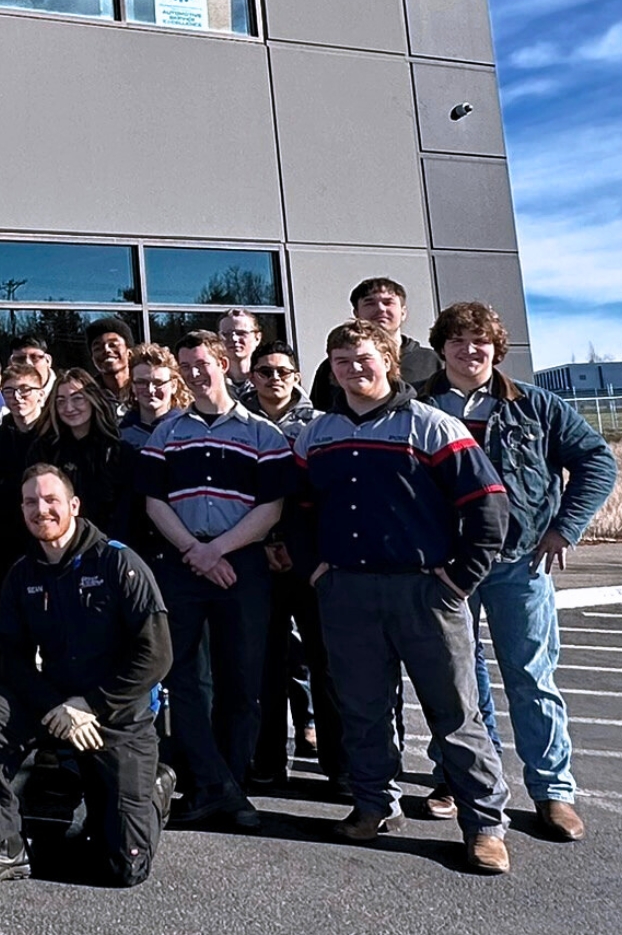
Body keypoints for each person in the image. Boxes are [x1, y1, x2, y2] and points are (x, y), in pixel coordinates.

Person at [291, 320, 512, 875]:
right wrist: (316, 571)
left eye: (362, 358)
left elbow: (488, 508)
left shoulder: (434, 426)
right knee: (362, 711)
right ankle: (372, 806)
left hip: (427, 594)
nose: (352, 369)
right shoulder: (317, 435)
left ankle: (484, 824)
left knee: (456, 714)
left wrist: (458, 581)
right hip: (346, 593)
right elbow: (295, 510)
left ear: (389, 360)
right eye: (341, 361)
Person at [418, 301, 617, 841]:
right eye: (457, 340)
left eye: (479, 339)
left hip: (519, 563)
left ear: (496, 347)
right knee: (457, 683)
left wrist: (564, 527)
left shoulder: (536, 405)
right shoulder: (420, 407)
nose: (469, 349)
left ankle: (553, 790)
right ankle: (457, 778)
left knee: (532, 678)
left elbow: (598, 461)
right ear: (441, 349)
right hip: (447, 567)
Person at [0, 464, 174, 890]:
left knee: (125, 870)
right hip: (54, 709)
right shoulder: (22, 573)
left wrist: (90, 704)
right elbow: (10, 654)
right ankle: (7, 846)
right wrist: (54, 704)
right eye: (31, 502)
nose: (41, 510)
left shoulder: (118, 562)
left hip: (117, 716)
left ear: (74, 505)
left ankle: (154, 789)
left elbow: (156, 654)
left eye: (51, 500)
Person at [137, 332, 293, 831]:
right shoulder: (166, 433)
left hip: (241, 564)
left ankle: (230, 784)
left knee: (241, 681)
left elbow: (272, 507)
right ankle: (212, 787)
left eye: (202, 362)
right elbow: (153, 501)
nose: (194, 372)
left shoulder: (263, 434)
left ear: (224, 363)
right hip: (182, 562)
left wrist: (218, 550)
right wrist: (194, 550)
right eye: (185, 365)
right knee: (182, 679)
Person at [244, 340, 344, 792]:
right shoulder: (238, 423)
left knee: (325, 665)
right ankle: (266, 760)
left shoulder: (323, 425)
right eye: (264, 371)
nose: (274, 378)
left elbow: (328, 494)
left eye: (283, 370)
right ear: (252, 377)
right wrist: (264, 541)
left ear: (298, 376)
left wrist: (306, 549)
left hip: (312, 561)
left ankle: (337, 765)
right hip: (254, 557)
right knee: (263, 665)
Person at [0, 360, 56, 588]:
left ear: (40, 395)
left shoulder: (55, 438)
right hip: (7, 539)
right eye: (9, 391)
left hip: (51, 537)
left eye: (25, 390)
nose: (17, 397)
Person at [308, 278, 440, 413]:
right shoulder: (334, 367)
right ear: (356, 314)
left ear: (403, 312)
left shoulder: (431, 361)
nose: (380, 309)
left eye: (388, 302)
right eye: (370, 303)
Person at [47, 368, 135, 540]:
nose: (69, 408)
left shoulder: (119, 452)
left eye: (77, 398)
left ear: (93, 400)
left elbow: (127, 511)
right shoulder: (47, 451)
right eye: (61, 401)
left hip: (110, 548)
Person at [0, 338, 56, 439]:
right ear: (10, 363)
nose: (28, 363)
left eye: (34, 357)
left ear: (48, 360)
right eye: (20, 359)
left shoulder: (66, 394)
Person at [120, 342, 190, 453]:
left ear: (174, 385)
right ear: (132, 387)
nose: (150, 390)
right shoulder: (120, 435)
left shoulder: (190, 430)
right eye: (142, 382)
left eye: (158, 383)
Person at [84, 319, 136, 424]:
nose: (106, 350)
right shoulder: (88, 397)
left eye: (113, 345)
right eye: (98, 348)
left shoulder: (145, 389)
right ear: (93, 360)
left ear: (129, 353)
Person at [217, 310, 263, 408]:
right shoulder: (211, 382)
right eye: (226, 334)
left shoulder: (269, 380)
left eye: (241, 333)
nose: (234, 339)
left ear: (257, 338)